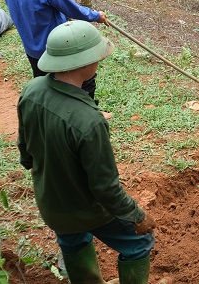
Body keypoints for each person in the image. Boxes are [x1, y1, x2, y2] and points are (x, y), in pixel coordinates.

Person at [17, 20, 155, 284]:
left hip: (51, 203)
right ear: (84, 63)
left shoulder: (32, 90)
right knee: (139, 241)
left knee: (73, 238)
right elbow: (105, 188)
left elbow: (26, 151)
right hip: (82, 207)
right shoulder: (90, 122)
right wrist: (137, 215)